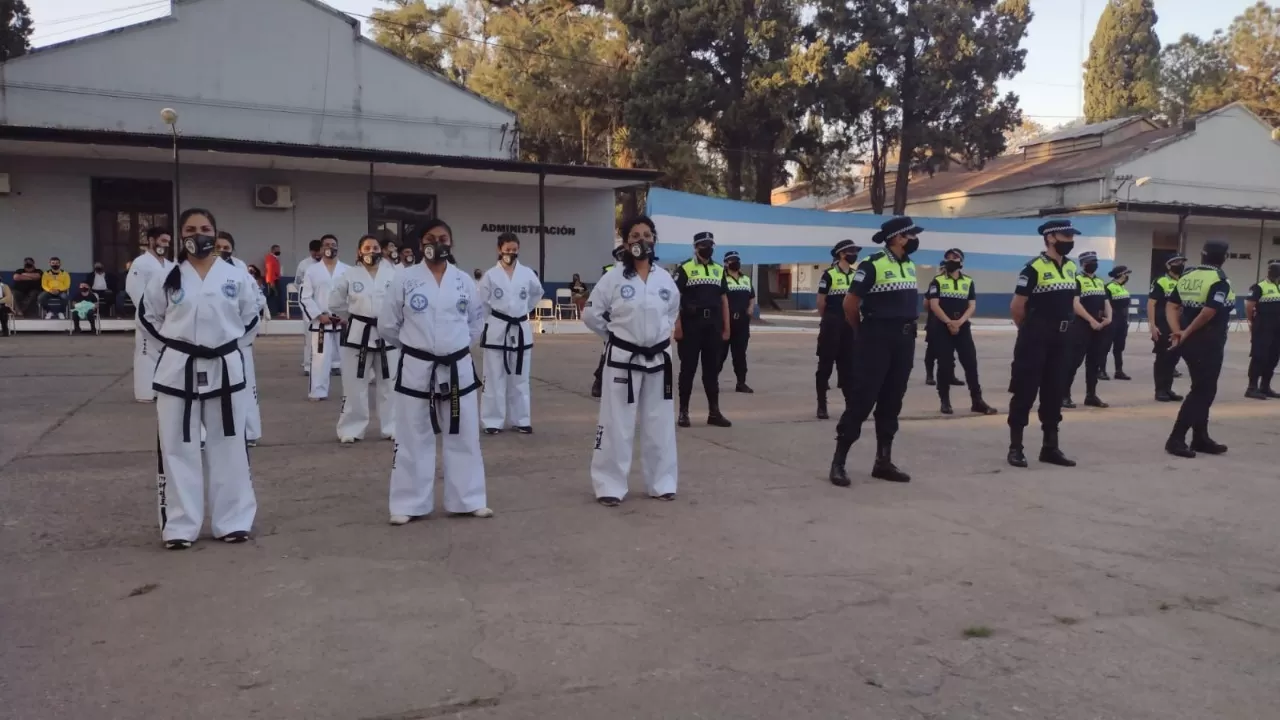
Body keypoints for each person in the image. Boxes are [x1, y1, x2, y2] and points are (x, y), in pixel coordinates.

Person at [144, 208, 259, 550]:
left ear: (216, 232)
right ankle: (180, 524)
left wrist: (228, 349)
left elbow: (251, 316)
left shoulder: (235, 275)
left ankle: (233, 521)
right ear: (182, 236)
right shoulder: (167, 276)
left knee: (230, 444)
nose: (199, 234)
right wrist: (175, 349)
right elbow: (149, 317)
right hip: (178, 369)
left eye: (206, 228)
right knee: (178, 447)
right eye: (192, 229)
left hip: (225, 368)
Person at [379, 219, 492, 524]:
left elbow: (475, 324)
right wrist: (417, 348)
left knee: (464, 433)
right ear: (420, 244)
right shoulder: (404, 280)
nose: (437, 243)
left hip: (457, 367)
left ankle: (468, 499)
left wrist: (454, 348)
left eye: (443, 238)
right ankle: (408, 503)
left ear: (451, 244)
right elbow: (388, 325)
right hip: (418, 368)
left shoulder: (464, 281)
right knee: (414, 435)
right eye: (431, 238)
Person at [584, 215, 680, 506]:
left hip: (658, 360)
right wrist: (614, 336)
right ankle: (609, 486)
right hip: (623, 359)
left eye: (647, 235)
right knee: (617, 423)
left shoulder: (666, 279)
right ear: (626, 244)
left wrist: (660, 337)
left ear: (654, 240)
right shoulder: (612, 278)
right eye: (636, 236)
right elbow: (591, 315)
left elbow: (671, 313)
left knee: (660, 422)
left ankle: (662, 482)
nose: (642, 240)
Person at [827, 217, 921, 486]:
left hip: (904, 341)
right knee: (862, 400)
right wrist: (862, 333)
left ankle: (883, 461)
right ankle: (839, 461)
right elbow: (850, 304)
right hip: (877, 339)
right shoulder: (872, 265)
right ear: (899, 238)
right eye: (911, 235)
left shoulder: (910, 266)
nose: (914, 239)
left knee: (893, 400)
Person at [1005, 219, 1082, 469]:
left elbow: (1071, 301)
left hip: (1062, 338)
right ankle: (1016, 447)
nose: (1070, 241)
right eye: (1065, 236)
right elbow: (1017, 307)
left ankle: (1050, 447)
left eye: (1071, 237)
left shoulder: (1071, 268)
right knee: (1025, 392)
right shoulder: (1033, 268)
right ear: (1050, 238)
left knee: (1054, 392)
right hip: (1035, 338)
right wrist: (1029, 331)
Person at [1164, 240, 1233, 457]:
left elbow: (1172, 305)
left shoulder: (1188, 276)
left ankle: (1200, 437)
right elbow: (1209, 311)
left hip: (1190, 342)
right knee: (1202, 391)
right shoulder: (1220, 280)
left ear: (1202, 255)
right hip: (1208, 341)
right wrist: (1186, 332)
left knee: (1204, 388)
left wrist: (1179, 331)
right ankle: (1176, 439)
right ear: (1225, 257)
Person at [329, 235, 399, 442]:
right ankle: (351, 429)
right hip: (358, 332)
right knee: (354, 384)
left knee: (389, 384)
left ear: (382, 250)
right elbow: (334, 302)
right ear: (360, 252)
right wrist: (352, 316)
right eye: (367, 248)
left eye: (375, 247)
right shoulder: (349, 275)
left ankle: (392, 427)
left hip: (387, 333)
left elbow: (400, 302)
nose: (371, 251)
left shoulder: (393, 274)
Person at [478, 232, 544, 434]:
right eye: (507, 250)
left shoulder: (527, 273)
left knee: (520, 377)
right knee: (494, 376)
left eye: (514, 250)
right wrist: (493, 320)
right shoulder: (490, 275)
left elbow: (537, 294)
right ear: (499, 250)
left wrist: (524, 310)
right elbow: (481, 303)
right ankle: (492, 421)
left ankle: (521, 419)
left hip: (520, 327)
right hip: (498, 328)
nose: (511, 253)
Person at [923, 248, 997, 416]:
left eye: (954, 257)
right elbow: (934, 305)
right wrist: (949, 322)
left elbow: (972, 305)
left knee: (970, 363)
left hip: (962, 327)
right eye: (948, 257)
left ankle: (977, 400)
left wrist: (960, 322)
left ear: (961, 262)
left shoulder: (968, 282)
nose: (951, 260)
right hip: (942, 327)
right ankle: (945, 401)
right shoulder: (937, 281)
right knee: (945, 364)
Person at [673, 231, 731, 428]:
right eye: (704, 244)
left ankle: (714, 412)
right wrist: (678, 325)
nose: (709, 248)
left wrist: (726, 327)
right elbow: (675, 298)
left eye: (711, 244)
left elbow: (724, 300)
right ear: (696, 247)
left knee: (711, 371)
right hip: (691, 326)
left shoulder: (719, 269)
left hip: (713, 326)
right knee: (687, 370)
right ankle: (683, 412)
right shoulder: (685, 268)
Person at [215, 232, 266, 446]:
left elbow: (255, 302)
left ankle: (249, 432)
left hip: (238, 340)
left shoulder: (240, 269)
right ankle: (206, 435)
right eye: (218, 246)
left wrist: (242, 338)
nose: (222, 250)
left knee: (244, 387)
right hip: (207, 342)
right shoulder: (197, 269)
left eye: (226, 247)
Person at [128, 228, 175, 403]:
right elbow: (134, 289)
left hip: (167, 317)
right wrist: (146, 311)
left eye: (168, 242)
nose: (165, 245)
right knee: (146, 354)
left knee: (166, 354)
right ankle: (145, 392)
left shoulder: (170, 266)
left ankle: (162, 389)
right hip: (147, 316)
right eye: (162, 241)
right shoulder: (140, 263)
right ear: (151, 241)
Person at [815, 239, 859, 420]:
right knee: (825, 365)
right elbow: (821, 302)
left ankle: (850, 405)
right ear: (842, 254)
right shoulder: (829, 275)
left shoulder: (857, 275)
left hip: (850, 325)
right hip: (832, 323)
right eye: (851, 251)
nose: (854, 255)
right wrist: (829, 319)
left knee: (848, 366)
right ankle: (822, 405)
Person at [301, 235, 349, 401]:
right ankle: (318, 391)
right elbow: (305, 297)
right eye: (327, 245)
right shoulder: (312, 271)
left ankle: (351, 393)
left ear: (338, 248)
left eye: (333, 244)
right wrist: (318, 315)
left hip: (342, 322)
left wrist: (346, 315)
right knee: (320, 358)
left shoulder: (347, 270)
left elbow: (353, 296)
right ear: (321, 249)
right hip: (321, 321)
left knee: (348, 359)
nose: (330, 247)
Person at [1062, 250, 1112, 409]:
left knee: (1094, 362)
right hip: (1081, 326)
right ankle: (1064, 395)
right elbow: (1075, 304)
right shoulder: (1076, 280)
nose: (1094, 264)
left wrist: (1109, 318)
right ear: (1083, 264)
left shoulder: (1099, 281)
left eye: (1095, 261)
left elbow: (1106, 302)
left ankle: (1091, 395)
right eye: (1091, 261)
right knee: (1073, 362)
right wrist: (1090, 320)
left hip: (1099, 326)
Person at [591, 245, 630, 398]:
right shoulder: (609, 271)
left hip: (629, 317)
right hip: (612, 316)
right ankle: (599, 380)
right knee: (608, 348)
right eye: (620, 254)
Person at [1149, 255, 1187, 402]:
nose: (1180, 265)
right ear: (1169, 265)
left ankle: (1168, 388)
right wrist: (1152, 325)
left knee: (1173, 357)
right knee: (1162, 358)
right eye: (1177, 263)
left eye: (1182, 263)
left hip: (1178, 325)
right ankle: (1160, 390)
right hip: (1162, 325)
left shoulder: (1184, 281)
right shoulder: (1161, 281)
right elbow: (1151, 303)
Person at [1244, 259, 1280, 399]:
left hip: (1277, 328)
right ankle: (1252, 387)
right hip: (1263, 326)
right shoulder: (1259, 286)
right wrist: (1252, 321)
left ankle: (1265, 386)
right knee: (1259, 356)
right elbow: (1249, 306)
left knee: (1273, 357)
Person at [720, 250, 755, 393]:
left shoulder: (745, 279)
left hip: (742, 323)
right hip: (725, 322)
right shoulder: (721, 278)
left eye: (737, 260)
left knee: (740, 355)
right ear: (726, 263)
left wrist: (751, 307)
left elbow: (752, 296)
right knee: (719, 354)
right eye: (732, 260)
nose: (736, 262)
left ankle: (741, 383)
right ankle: (711, 381)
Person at [1101, 265, 1133, 380]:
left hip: (1122, 321)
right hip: (1112, 321)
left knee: (1119, 347)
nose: (1127, 276)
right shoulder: (1108, 287)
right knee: (1105, 346)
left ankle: (1119, 371)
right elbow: (1105, 305)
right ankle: (1101, 371)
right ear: (1121, 274)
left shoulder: (1123, 288)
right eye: (1126, 274)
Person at [295, 239, 323, 372]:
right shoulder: (304, 265)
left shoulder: (328, 264)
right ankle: (308, 365)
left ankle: (334, 364)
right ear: (310, 251)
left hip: (325, 305)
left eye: (319, 251)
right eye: (315, 252)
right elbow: (298, 284)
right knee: (309, 336)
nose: (317, 254)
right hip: (309, 305)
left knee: (329, 337)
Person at [264, 244, 282, 317]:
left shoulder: (275, 258)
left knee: (275, 296)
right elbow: (270, 271)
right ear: (272, 250)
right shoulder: (270, 258)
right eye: (276, 250)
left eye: (279, 250)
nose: (278, 251)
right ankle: (272, 313)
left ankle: (273, 312)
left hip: (275, 280)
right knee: (272, 297)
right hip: (272, 281)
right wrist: (271, 282)